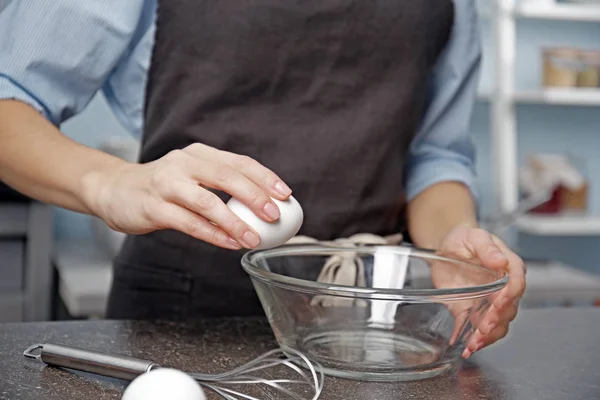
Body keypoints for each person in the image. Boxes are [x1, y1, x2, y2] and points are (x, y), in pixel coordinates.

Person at [0, 0, 525, 359]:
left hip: (369, 322)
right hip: (181, 316)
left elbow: (434, 153)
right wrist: (111, 184)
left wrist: (453, 247)